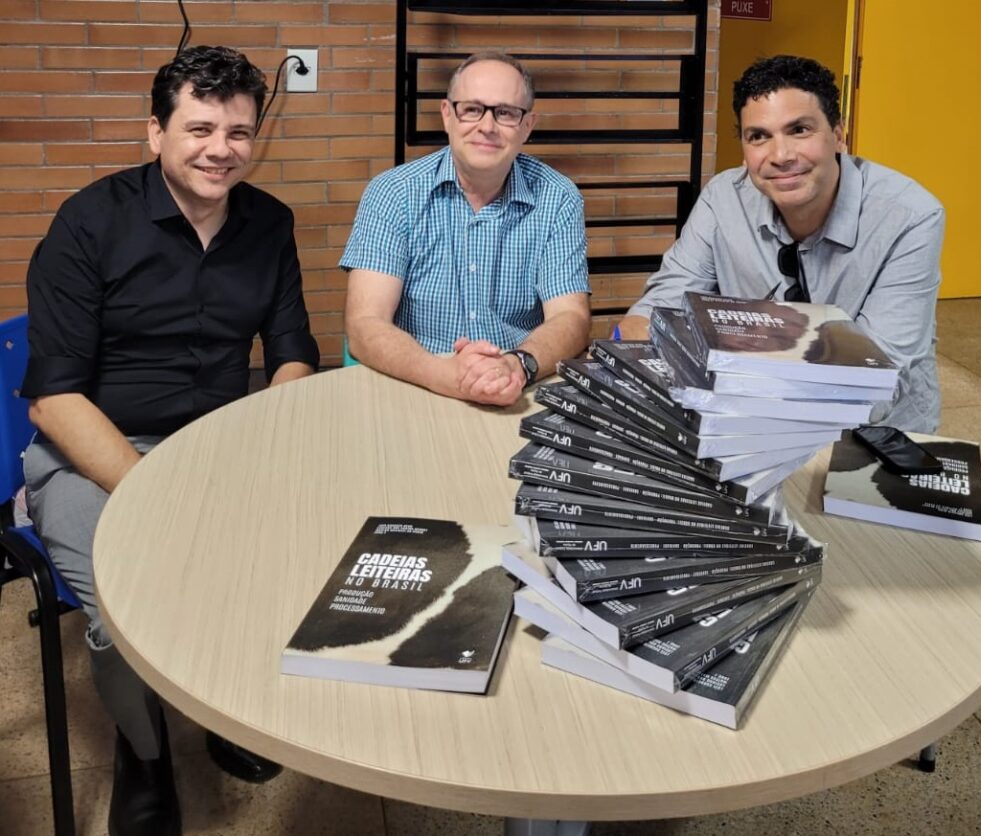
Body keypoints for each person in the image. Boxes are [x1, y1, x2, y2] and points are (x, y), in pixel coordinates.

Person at [21, 46, 320, 836]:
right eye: (199, 128)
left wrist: (248, 453)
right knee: (122, 617)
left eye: (238, 131)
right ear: (153, 132)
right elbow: (53, 400)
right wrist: (165, 493)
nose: (221, 148)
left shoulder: (270, 224)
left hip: (218, 444)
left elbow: (293, 356)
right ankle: (145, 751)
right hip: (93, 451)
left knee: (272, 567)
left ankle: (222, 704)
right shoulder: (89, 222)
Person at [617, 55, 945, 432]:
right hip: (749, 414)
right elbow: (659, 310)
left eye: (800, 130)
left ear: (839, 134)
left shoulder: (910, 216)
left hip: (873, 428)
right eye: (759, 136)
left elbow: (877, 367)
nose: (781, 155)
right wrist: (637, 335)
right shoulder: (723, 198)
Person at [341, 51, 591, 407]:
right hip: (414, 383)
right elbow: (365, 325)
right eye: (472, 109)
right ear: (447, 115)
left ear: (527, 126)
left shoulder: (559, 198)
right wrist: (447, 376)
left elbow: (571, 317)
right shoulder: (393, 193)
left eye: (505, 113)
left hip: (518, 384)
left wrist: (517, 364)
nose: (486, 126)